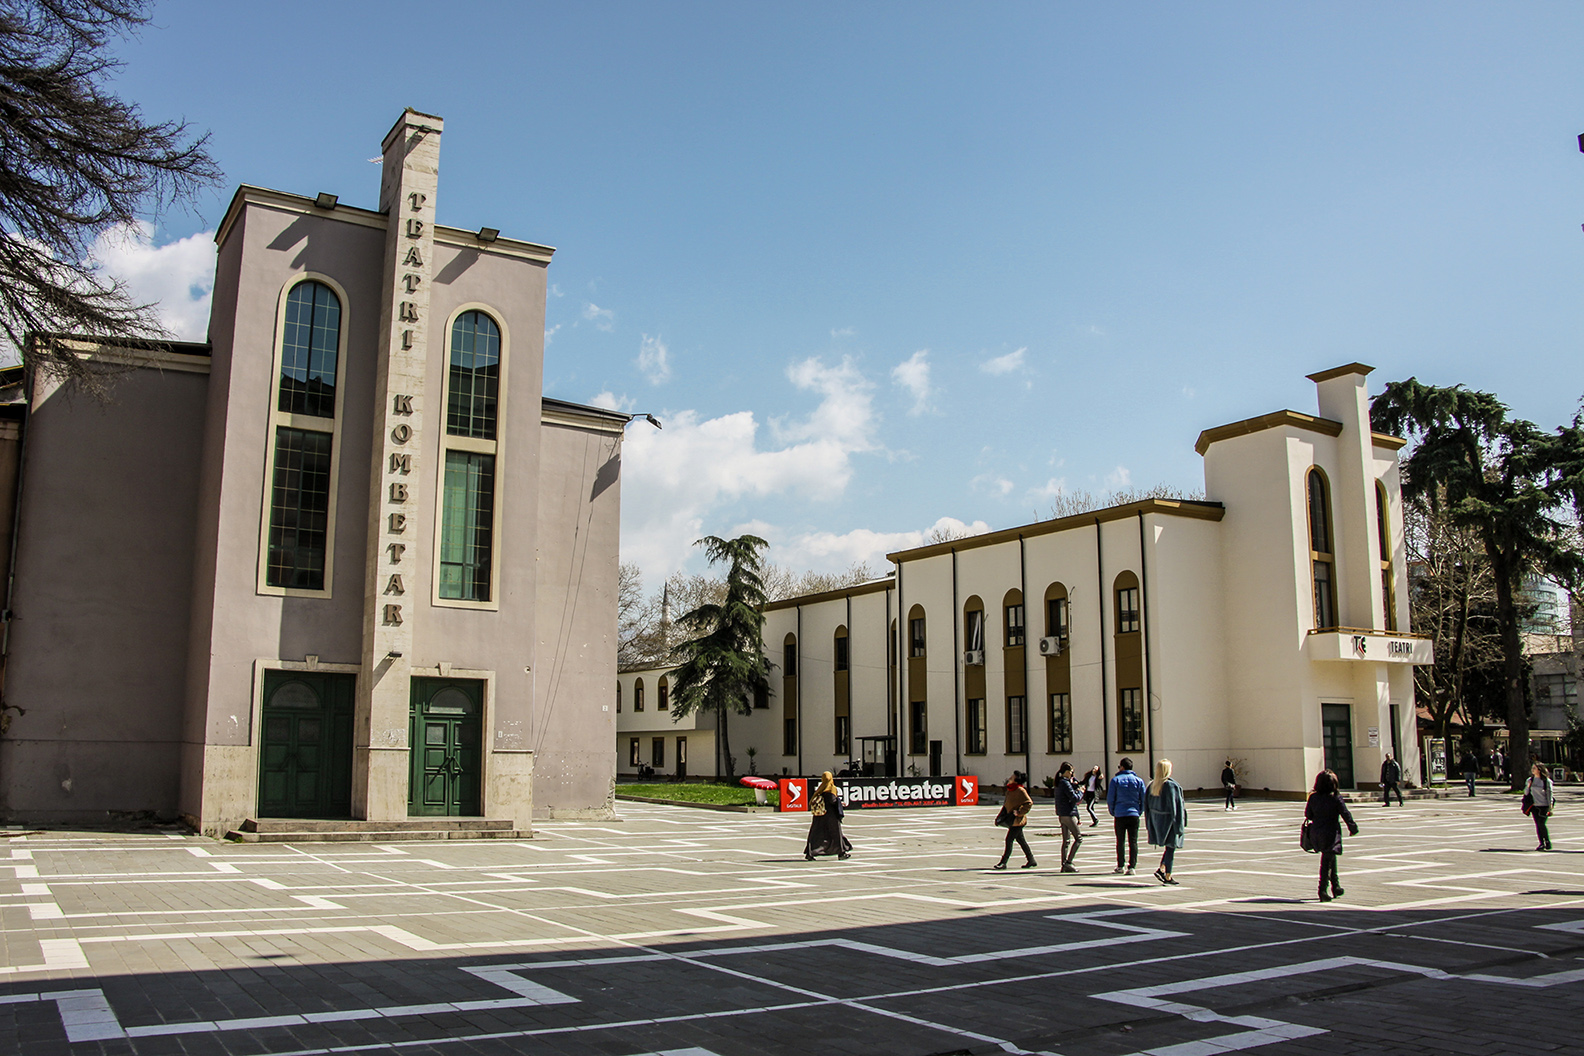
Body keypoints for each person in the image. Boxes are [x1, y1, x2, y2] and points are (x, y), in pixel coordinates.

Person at [1304, 769, 1358, 902]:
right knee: (1326, 861)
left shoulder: (1313, 797)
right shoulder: (1335, 797)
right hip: (1330, 831)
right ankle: (1322, 889)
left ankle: (1336, 886)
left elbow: (1308, 814)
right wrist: (1352, 827)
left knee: (1330, 857)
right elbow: (1345, 813)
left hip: (1316, 831)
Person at [1145, 759, 1187, 885]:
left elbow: (1146, 807)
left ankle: (1162, 869)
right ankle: (1167, 874)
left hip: (1157, 822)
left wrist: (1149, 824)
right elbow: (1177, 808)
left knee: (1169, 848)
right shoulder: (1171, 786)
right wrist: (1179, 826)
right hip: (1170, 823)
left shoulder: (1152, 785)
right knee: (1171, 847)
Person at [1106, 758, 1146, 875]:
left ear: (1122, 767)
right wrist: (1139, 811)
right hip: (1133, 813)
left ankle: (1120, 865)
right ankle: (1132, 866)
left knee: (1120, 841)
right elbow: (1143, 799)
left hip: (1120, 813)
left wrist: (1113, 811)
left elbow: (1111, 798)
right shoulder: (1139, 781)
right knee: (1133, 841)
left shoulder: (1115, 780)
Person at [803, 771, 852, 861]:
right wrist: (840, 803)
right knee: (836, 834)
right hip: (831, 815)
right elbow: (832, 801)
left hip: (820, 815)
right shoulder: (832, 788)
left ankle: (810, 852)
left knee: (816, 834)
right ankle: (841, 853)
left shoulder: (821, 788)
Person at [994, 771, 1037, 869]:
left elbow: (1029, 803)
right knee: (1021, 840)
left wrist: (1020, 812)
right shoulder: (1010, 790)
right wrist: (999, 817)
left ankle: (1003, 862)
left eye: (1012, 777)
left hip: (1018, 821)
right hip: (1011, 819)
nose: (1009, 778)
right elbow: (1006, 805)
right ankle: (1031, 860)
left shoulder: (1020, 790)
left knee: (1009, 840)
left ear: (1016, 780)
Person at [1053, 762, 1084, 872]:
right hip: (1068, 814)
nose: (1072, 774)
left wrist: (1075, 785)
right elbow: (1074, 797)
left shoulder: (1060, 782)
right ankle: (1068, 862)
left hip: (1062, 814)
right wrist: (1080, 792)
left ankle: (1064, 864)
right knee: (1078, 838)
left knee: (1066, 840)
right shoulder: (1064, 783)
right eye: (1071, 772)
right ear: (1066, 772)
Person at [1526, 761, 1554, 851]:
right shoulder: (1530, 780)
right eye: (1532, 768)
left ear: (1539, 770)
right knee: (1538, 824)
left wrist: (1550, 806)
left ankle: (1547, 841)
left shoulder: (1546, 781)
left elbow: (1549, 794)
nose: (1532, 770)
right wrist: (1528, 786)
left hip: (1544, 805)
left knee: (1541, 824)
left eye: (1534, 768)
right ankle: (1541, 843)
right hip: (1534, 805)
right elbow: (1526, 793)